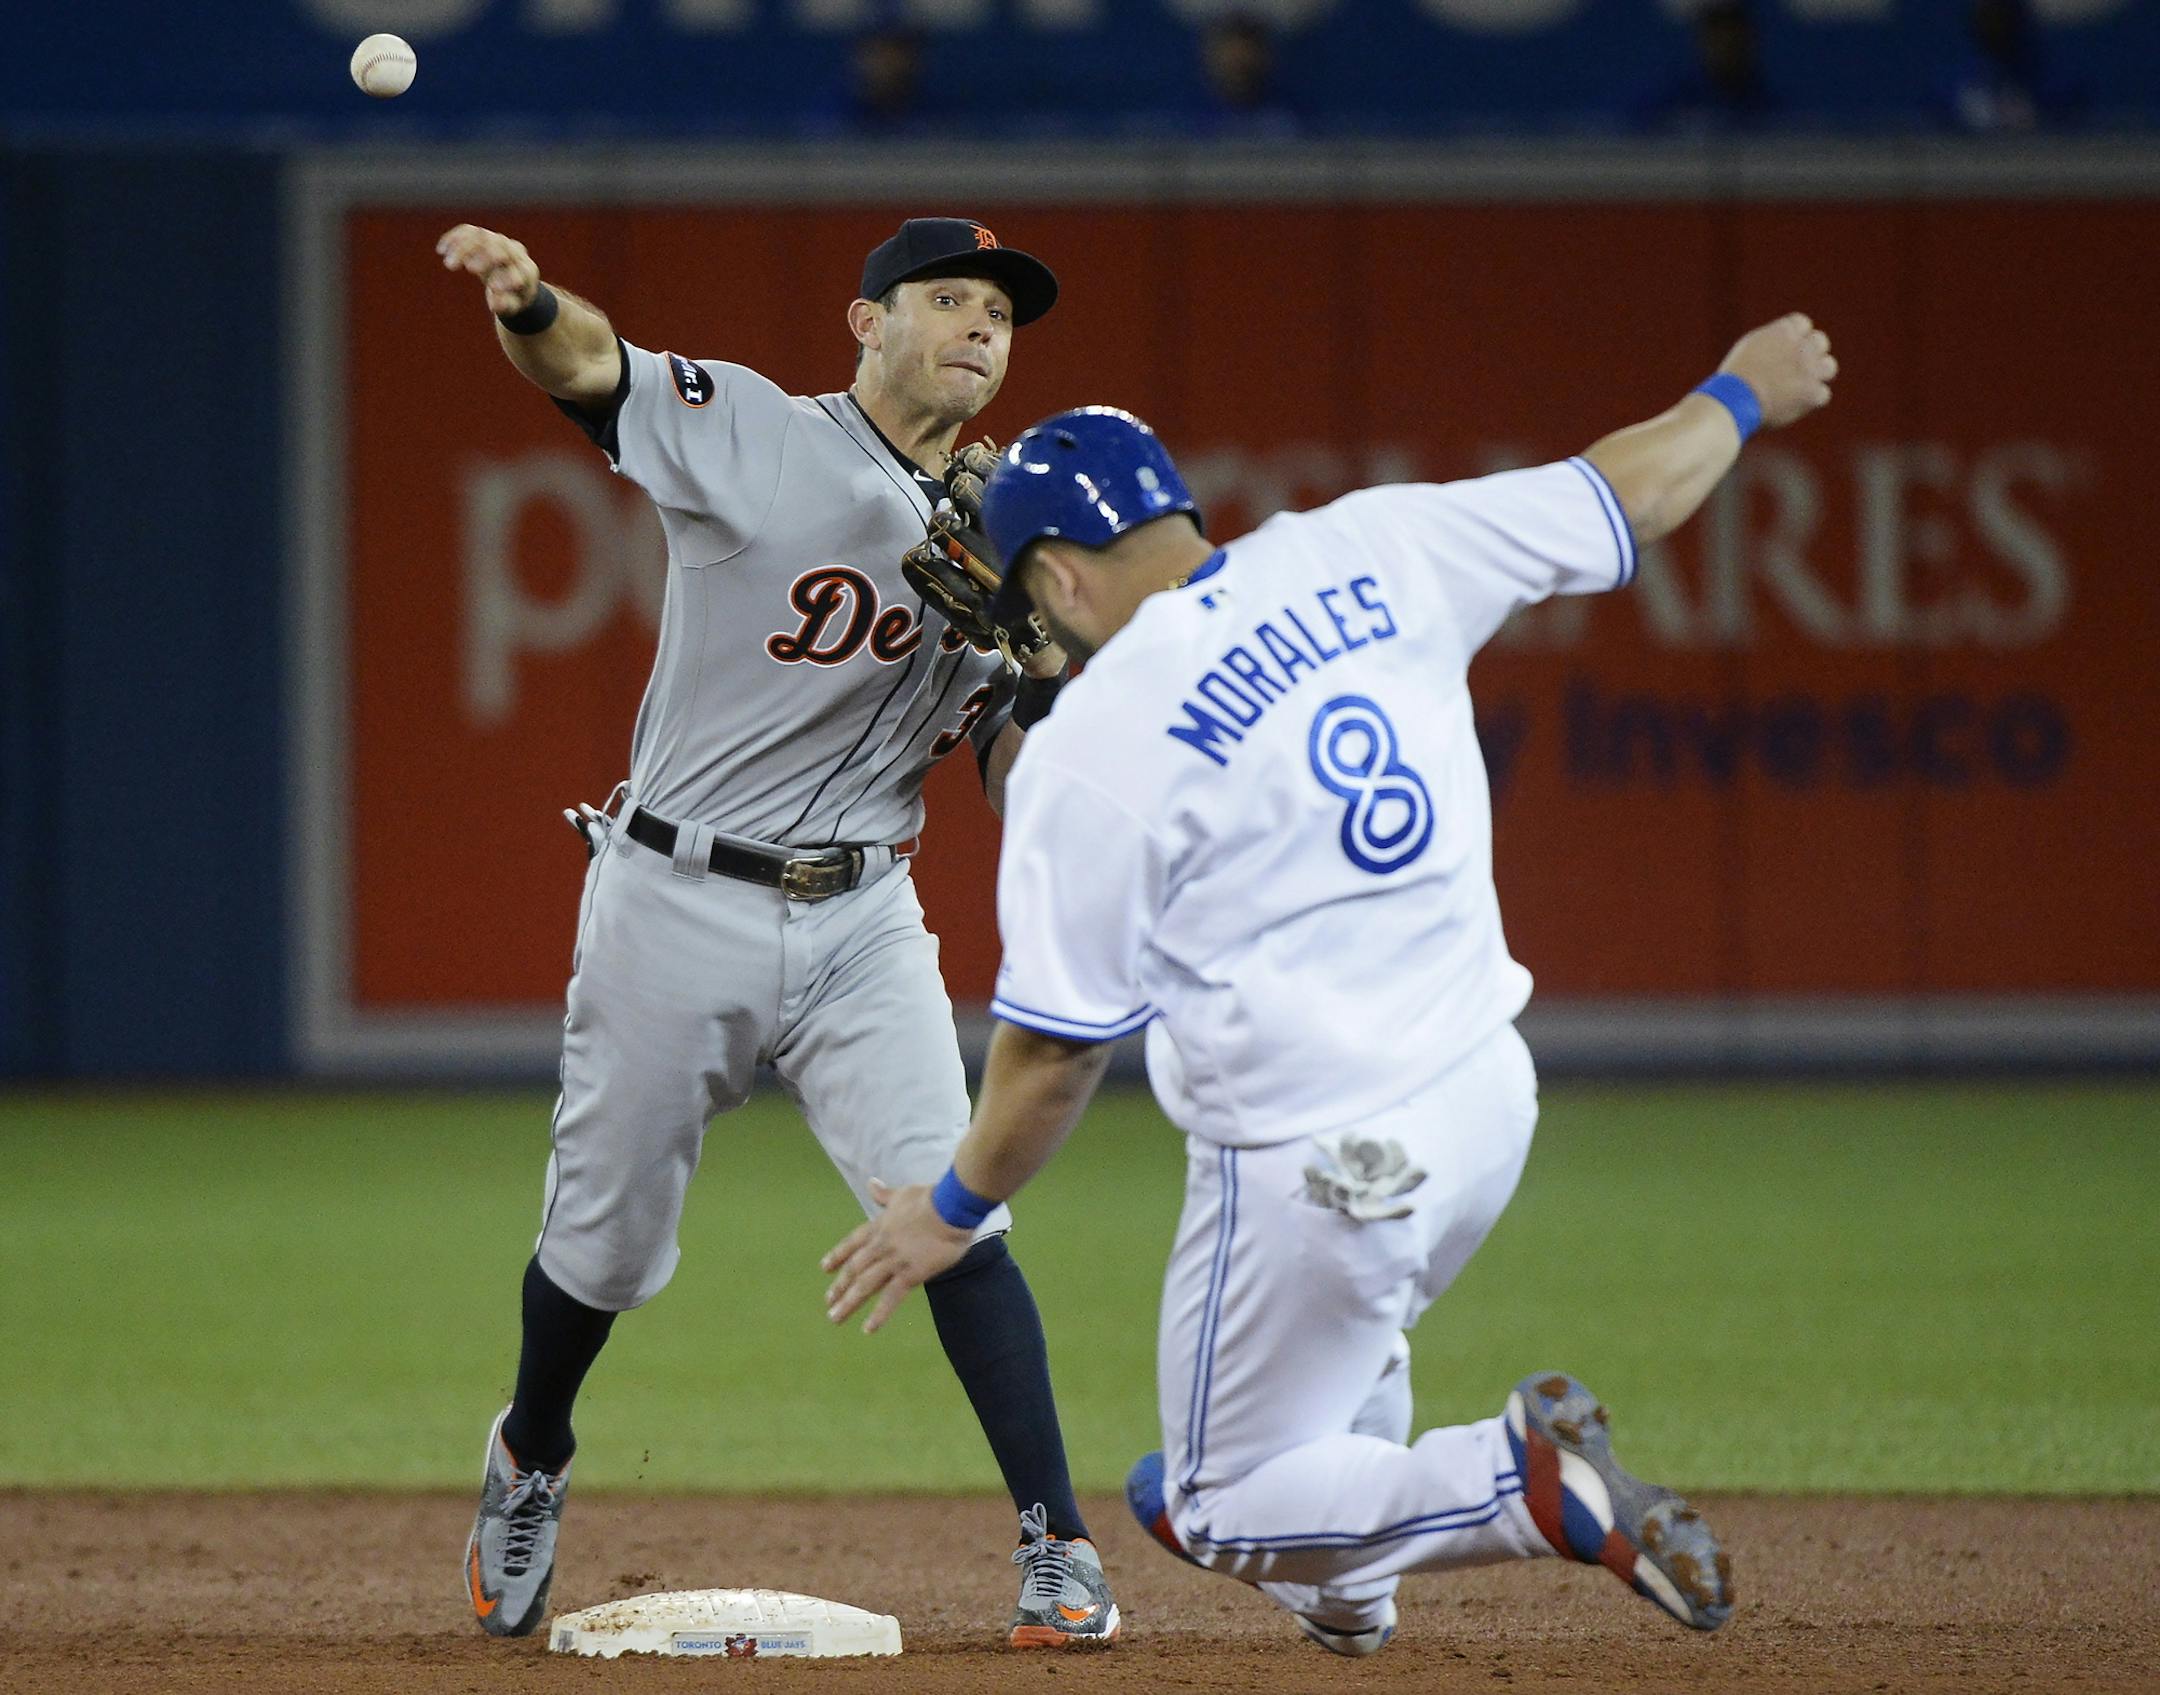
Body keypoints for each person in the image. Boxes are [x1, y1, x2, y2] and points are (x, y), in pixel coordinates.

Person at [823, 312, 1839, 1654]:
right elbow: (1627, 491)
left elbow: (1055, 1057)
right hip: (1486, 1101)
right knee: (1329, 1404)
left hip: (1316, 1164)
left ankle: (1517, 1478)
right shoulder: (1370, 541)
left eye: (1028, 597)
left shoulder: (1092, 752)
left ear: (1059, 582)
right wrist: (1740, 391)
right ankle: (1349, 1600)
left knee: (1217, 1493)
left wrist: (951, 1208)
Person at [434, 214, 1119, 1650]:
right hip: (678, 893)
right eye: (948, 297)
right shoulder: (757, 430)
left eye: (1001, 310)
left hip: (867, 908)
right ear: (867, 323)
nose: (982, 326)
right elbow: (592, 368)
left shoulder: (1011, 530)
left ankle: (1058, 1541)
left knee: (956, 1204)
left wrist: (1038, 661)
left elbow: (1011, 766)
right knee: (605, 1247)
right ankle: (535, 1450)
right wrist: (528, 299)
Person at [1639, 0, 1782, 137]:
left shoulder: (1769, 107)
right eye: (1717, 33)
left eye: (1734, 33)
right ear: (1703, 39)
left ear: (1750, 39)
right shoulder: (1673, 102)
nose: (1726, 44)